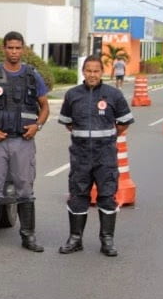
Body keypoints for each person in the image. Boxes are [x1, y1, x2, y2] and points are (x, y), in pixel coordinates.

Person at [0, 31, 49, 253]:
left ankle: (28, 236)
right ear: (3, 49)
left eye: (18, 48)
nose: (14, 52)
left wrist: (38, 126)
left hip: (23, 142)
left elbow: (44, 105)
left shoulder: (32, 76)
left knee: (25, 189)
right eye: (10, 48)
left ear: (23, 49)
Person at [57, 55, 134, 257]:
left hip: (105, 156)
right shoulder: (73, 95)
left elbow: (123, 122)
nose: (92, 74)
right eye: (88, 70)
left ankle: (107, 240)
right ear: (83, 72)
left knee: (107, 195)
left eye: (96, 71)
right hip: (80, 156)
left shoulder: (113, 94)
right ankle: (75, 239)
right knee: (78, 195)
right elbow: (68, 122)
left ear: (102, 72)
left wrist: (108, 138)